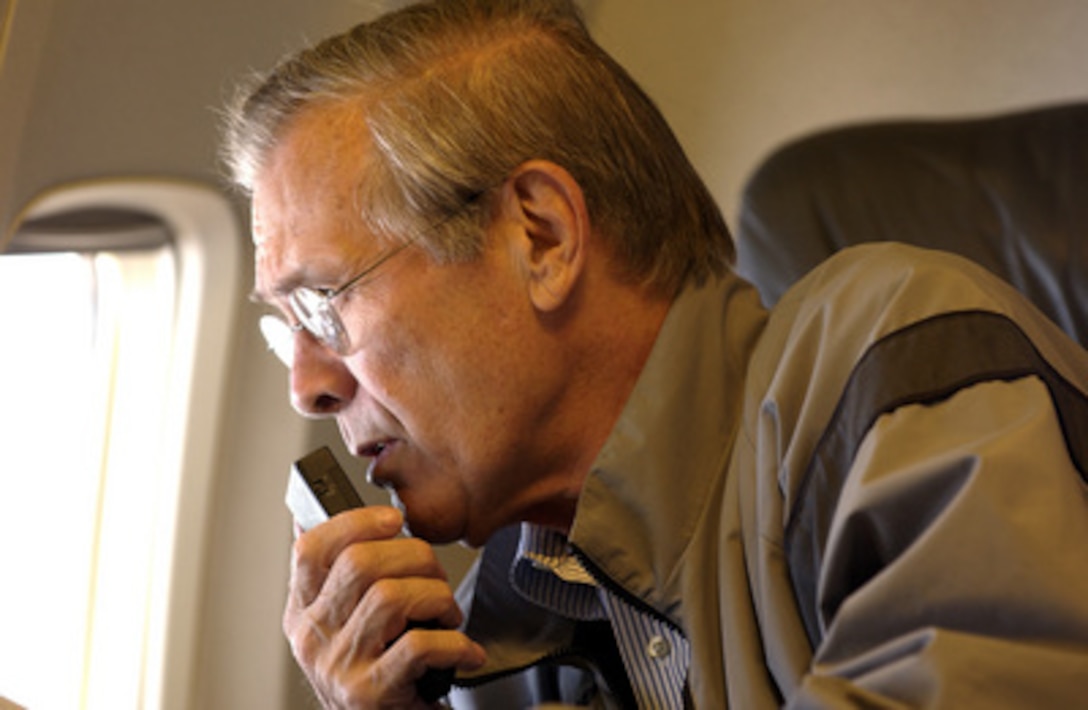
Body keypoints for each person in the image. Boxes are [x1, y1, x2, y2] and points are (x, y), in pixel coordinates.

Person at [222, 0, 1088, 707]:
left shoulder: (892, 364)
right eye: (282, 328)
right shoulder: (497, 631)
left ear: (542, 237)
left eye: (320, 304)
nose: (306, 387)